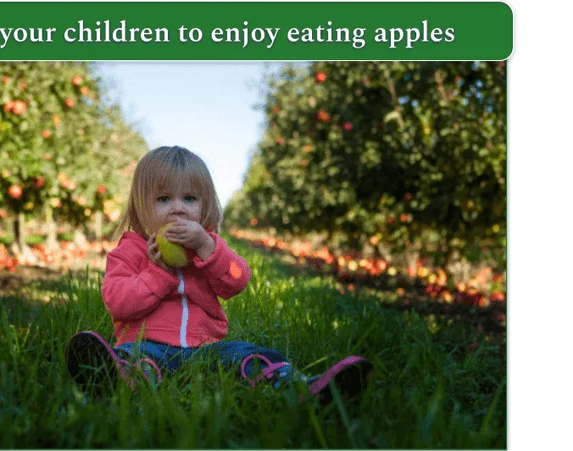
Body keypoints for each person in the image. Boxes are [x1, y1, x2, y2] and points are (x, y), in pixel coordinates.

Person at [65, 146, 372, 402]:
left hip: (205, 349)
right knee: (134, 358)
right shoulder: (129, 252)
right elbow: (118, 303)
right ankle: (116, 379)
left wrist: (208, 249)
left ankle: (301, 387)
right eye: (163, 199)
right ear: (140, 205)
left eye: (189, 199)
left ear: (205, 205)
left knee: (248, 355)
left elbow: (238, 280)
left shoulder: (209, 248)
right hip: (147, 344)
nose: (178, 209)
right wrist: (159, 274)